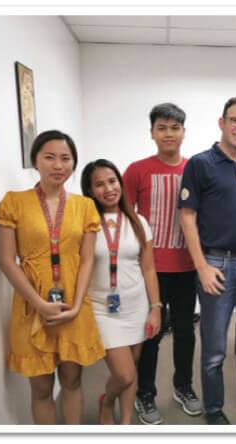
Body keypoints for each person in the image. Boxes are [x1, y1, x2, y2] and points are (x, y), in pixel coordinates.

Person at [0, 130, 105, 424]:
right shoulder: (13, 202)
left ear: (73, 163)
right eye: (50, 157)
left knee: (72, 380)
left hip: (74, 303)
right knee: (42, 389)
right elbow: (6, 260)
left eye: (65, 158)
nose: (58, 165)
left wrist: (77, 305)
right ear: (35, 161)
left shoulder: (85, 206)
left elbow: (87, 260)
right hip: (32, 305)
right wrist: (40, 304)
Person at [179, 96, 236, 425]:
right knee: (215, 348)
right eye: (235, 121)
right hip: (217, 265)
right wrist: (202, 267)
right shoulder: (200, 164)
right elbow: (187, 217)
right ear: (222, 123)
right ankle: (214, 408)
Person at [123, 103, 201, 425]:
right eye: (162, 128)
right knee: (151, 333)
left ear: (184, 132)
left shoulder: (195, 169)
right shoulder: (136, 170)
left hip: (187, 267)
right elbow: (125, 217)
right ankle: (145, 393)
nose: (169, 134)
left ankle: (184, 387)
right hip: (150, 270)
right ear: (152, 133)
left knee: (185, 332)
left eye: (175, 128)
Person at [81, 159, 162, 425]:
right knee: (124, 373)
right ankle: (107, 400)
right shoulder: (86, 222)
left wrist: (155, 308)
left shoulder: (138, 221)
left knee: (133, 366)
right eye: (99, 184)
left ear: (121, 183)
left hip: (136, 306)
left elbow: (148, 268)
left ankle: (125, 424)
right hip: (101, 308)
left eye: (112, 181)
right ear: (90, 190)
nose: (108, 189)